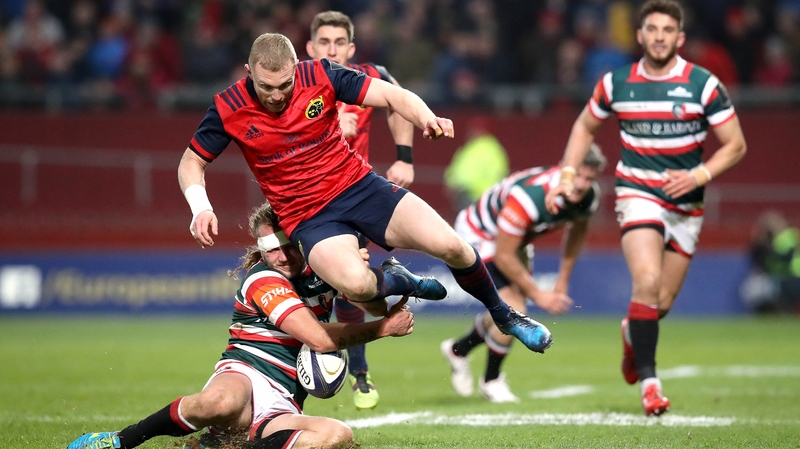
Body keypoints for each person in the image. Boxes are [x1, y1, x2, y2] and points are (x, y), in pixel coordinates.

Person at [178, 33, 553, 358]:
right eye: (266, 87)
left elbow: (391, 93)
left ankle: (506, 316)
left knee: (451, 245)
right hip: (309, 217)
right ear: (248, 72)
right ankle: (399, 279)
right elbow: (192, 161)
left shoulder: (319, 73)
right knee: (357, 287)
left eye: (284, 85)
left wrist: (427, 118)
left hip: (360, 187)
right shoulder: (228, 107)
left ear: (297, 66)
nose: (276, 95)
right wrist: (201, 207)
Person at [66, 201, 415, 449]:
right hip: (244, 374)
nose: (281, 256)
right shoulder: (262, 279)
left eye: (286, 246)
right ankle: (119, 441)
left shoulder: (321, 269)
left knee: (338, 436)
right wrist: (383, 329)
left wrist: (361, 273)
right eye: (270, 249)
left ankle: (218, 448)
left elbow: (367, 301)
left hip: (284, 402)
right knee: (218, 402)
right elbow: (320, 340)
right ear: (261, 250)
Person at [544, 0, 747, 416]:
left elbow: (737, 145)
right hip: (637, 193)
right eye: (651, 29)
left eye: (667, 30)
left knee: (661, 302)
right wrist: (567, 174)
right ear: (639, 36)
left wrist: (699, 176)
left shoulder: (703, 84)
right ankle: (651, 386)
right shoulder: (616, 83)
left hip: (687, 203)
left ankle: (631, 331)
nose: (659, 37)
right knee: (648, 280)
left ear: (680, 38)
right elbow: (584, 125)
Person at [304, 10, 416, 410]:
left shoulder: (369, 75)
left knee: (352, 289)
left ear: (350, 48)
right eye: (324, 43)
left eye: (339, 43)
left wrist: (404, 156)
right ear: (310, 48)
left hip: (352, 198)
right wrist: (332, 125)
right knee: (310, 291)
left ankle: (360, 373)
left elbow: (399, 102)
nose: (331, 49)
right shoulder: (297, 83)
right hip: (305, 203)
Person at [441, 144, 606, 403]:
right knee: (515, 308)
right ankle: (491, 381)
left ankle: (457, 350)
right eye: (579, 175)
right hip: (479, 233)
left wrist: (562, 280)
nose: (583, 184)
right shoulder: (530, 197)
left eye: (589, 178)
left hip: (512, 240)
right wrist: (538, 293)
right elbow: (504, 256)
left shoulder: (588, 197)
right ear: (565, 168)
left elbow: (577, 231)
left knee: (507, 312)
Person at [443, 116, 509, 213]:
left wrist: (487, 195)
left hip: (478, 197)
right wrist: (451, 184)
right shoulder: (470, 147)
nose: (472, 132)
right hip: (463, 195)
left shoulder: (491, 149)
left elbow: (496, 175)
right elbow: (458, 169)